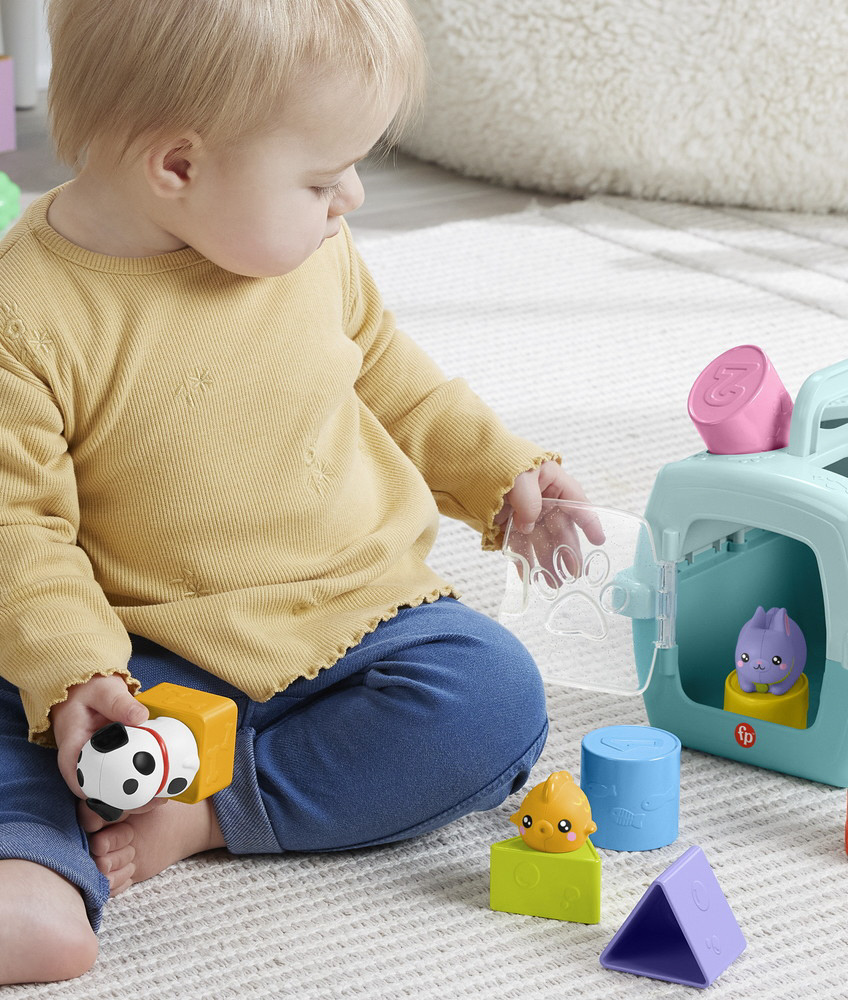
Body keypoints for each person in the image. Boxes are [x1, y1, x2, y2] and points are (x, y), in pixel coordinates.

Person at [0, 0, 596, 983]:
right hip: (142, 649)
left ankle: (214, 809)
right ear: (179, 166)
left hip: (351, 619)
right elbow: (19, 531)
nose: (349, 197)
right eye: (322, 178)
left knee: (492, 696)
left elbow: (394, 376)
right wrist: (75, 678)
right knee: (24, 689)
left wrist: (502, 474)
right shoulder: (26, 316)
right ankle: (32, 872)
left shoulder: (314, 249)